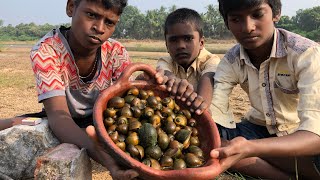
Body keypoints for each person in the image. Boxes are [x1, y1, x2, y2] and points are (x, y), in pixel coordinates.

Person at [0, 0, 207, 179]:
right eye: (91, 15)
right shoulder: (47, 50)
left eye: (109, 22)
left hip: (101, 121)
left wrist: (165, 79)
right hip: (64, 120)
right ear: (71, 7)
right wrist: (102, 154)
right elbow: (59, 117)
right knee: (20, 125)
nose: (99, 27)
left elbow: (131, 93)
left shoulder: (115, 51)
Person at [209, 0, 320, 179]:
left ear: (276, 13)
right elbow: (215, 108)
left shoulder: (306, 54)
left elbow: (315, 136)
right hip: (257, 130)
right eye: (236, 19)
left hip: (299, 136)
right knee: (213, 139)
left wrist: (250, 148)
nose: (248, 27)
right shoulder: (231, 60)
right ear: (227, 23)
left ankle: (253, 160)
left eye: (257, 15)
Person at [156, 8, 220, 115]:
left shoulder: (211, 60)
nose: (181, 46)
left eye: (188, 38)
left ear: (201, 43)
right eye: (173, 40)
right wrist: (172, 80)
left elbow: (207, 80)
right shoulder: (165, 61)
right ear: (166, 45)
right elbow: (165, 72)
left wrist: (200, 103)